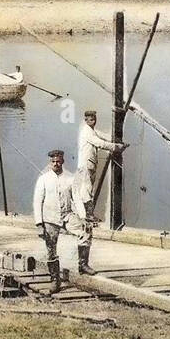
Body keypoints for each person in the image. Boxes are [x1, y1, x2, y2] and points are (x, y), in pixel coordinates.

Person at [71, 109, 127, 274]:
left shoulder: (92, 130)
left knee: (89, 189)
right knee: (86, 190)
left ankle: (89, 213)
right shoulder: (86, 133)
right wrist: (116, 146)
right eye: (89, 119)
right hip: (85, 166)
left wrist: (115, 139)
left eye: (94, 118)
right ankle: (88, 214)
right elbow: (99, 143)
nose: (92, 121)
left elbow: (101, 135)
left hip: (91, 164)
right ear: (85, 119)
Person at [33, 149, 74, 294]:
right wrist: (39, 224)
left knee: (79, 241)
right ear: (50, 162)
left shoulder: (70, 178)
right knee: (51, 250)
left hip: (67, 218)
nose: (56, 164)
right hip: (49, 219)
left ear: (63, 161)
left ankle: (79, 269)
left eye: (58, 161)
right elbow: (37, 202)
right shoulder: (43, 179)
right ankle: (54, 280)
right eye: (53, 161)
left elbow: (75, 199)